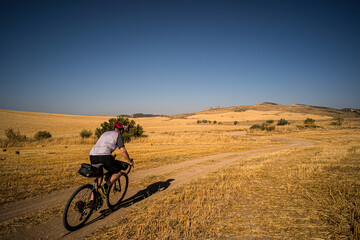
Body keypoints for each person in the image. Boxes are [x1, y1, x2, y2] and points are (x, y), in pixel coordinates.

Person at [89, 122, 134, 197]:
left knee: (99, 177)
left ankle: (91, 202)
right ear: (121, 130)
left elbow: (103, 146)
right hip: (104, 156)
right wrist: (129, 162)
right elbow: (123, 150)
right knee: (118, 172)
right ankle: (105, 187)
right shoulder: (118, 135)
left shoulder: (105, 133)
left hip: (92, 155)